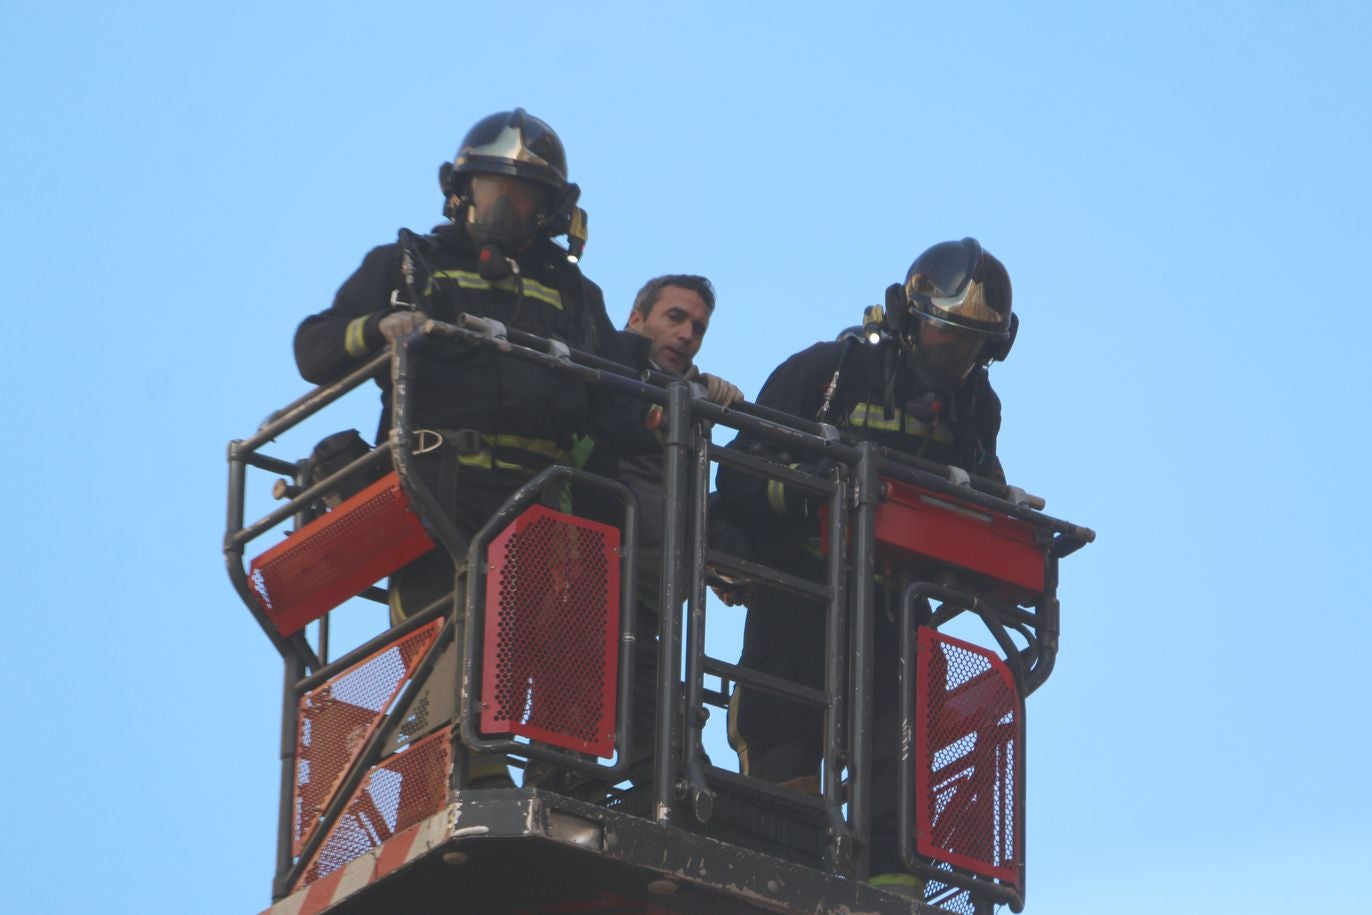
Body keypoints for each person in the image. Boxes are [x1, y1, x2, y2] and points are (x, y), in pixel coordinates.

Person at [293, 109, 648, 785]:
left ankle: (562, 786)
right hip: (435, 493)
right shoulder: (409, 264)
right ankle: (463, 778)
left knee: (551, 657)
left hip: (540, 504)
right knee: (447, 648)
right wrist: (380, 326)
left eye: (522, 194)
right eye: (493, 188)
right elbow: (313, 349)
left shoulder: (571, 292)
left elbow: (618, 399)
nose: (505, 205)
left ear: (547, 208)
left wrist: (659, 396)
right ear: (462, 191)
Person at [715, 238, 1015, 893]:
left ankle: (893, 892)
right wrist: (811, 488)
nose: (953, 356)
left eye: (968, 345)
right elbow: (736, 479)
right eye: (944, 335)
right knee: (780, 738)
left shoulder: (974, 410)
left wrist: (998, 515)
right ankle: (783, 880)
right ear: (912, 317)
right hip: (800, 592)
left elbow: (981, 500)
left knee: (898, 759)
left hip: (893, 611)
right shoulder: (826, 373)